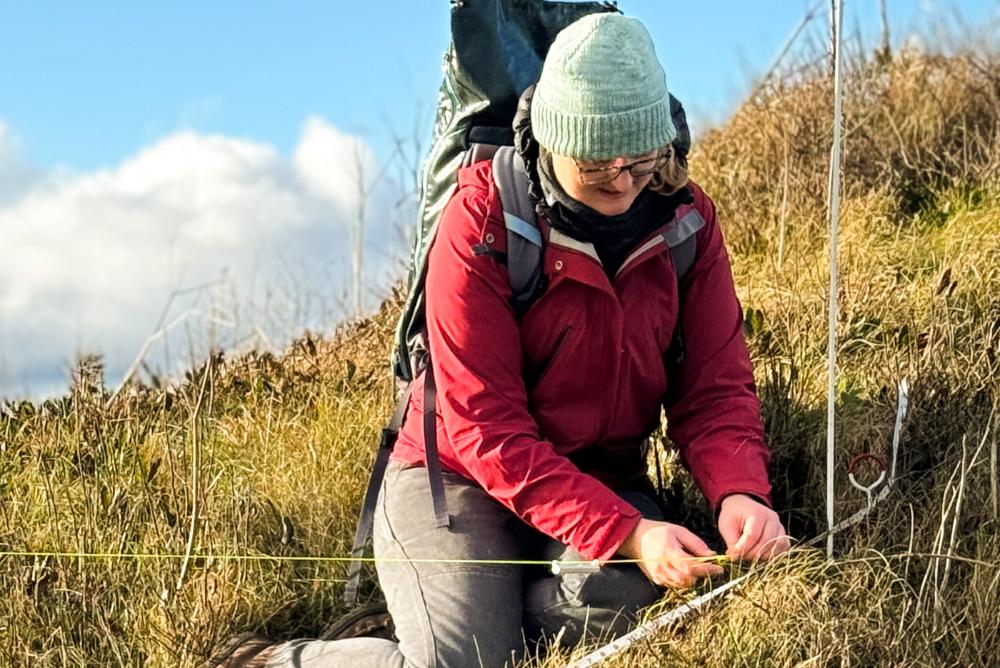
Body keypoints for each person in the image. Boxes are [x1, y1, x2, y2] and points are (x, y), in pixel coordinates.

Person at [210, 12, 789, 668]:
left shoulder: (688, 224)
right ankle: (275, 660)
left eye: (642, 156)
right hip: (456, 478)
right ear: (552, 138)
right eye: (597, 161)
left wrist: (740, 491)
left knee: (644, 603)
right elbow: (489, 434)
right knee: (463, 664)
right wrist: (630, 531)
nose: (623, 180)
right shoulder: (482, 220)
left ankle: (459, 611)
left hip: (598, 473)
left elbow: (714, 389)